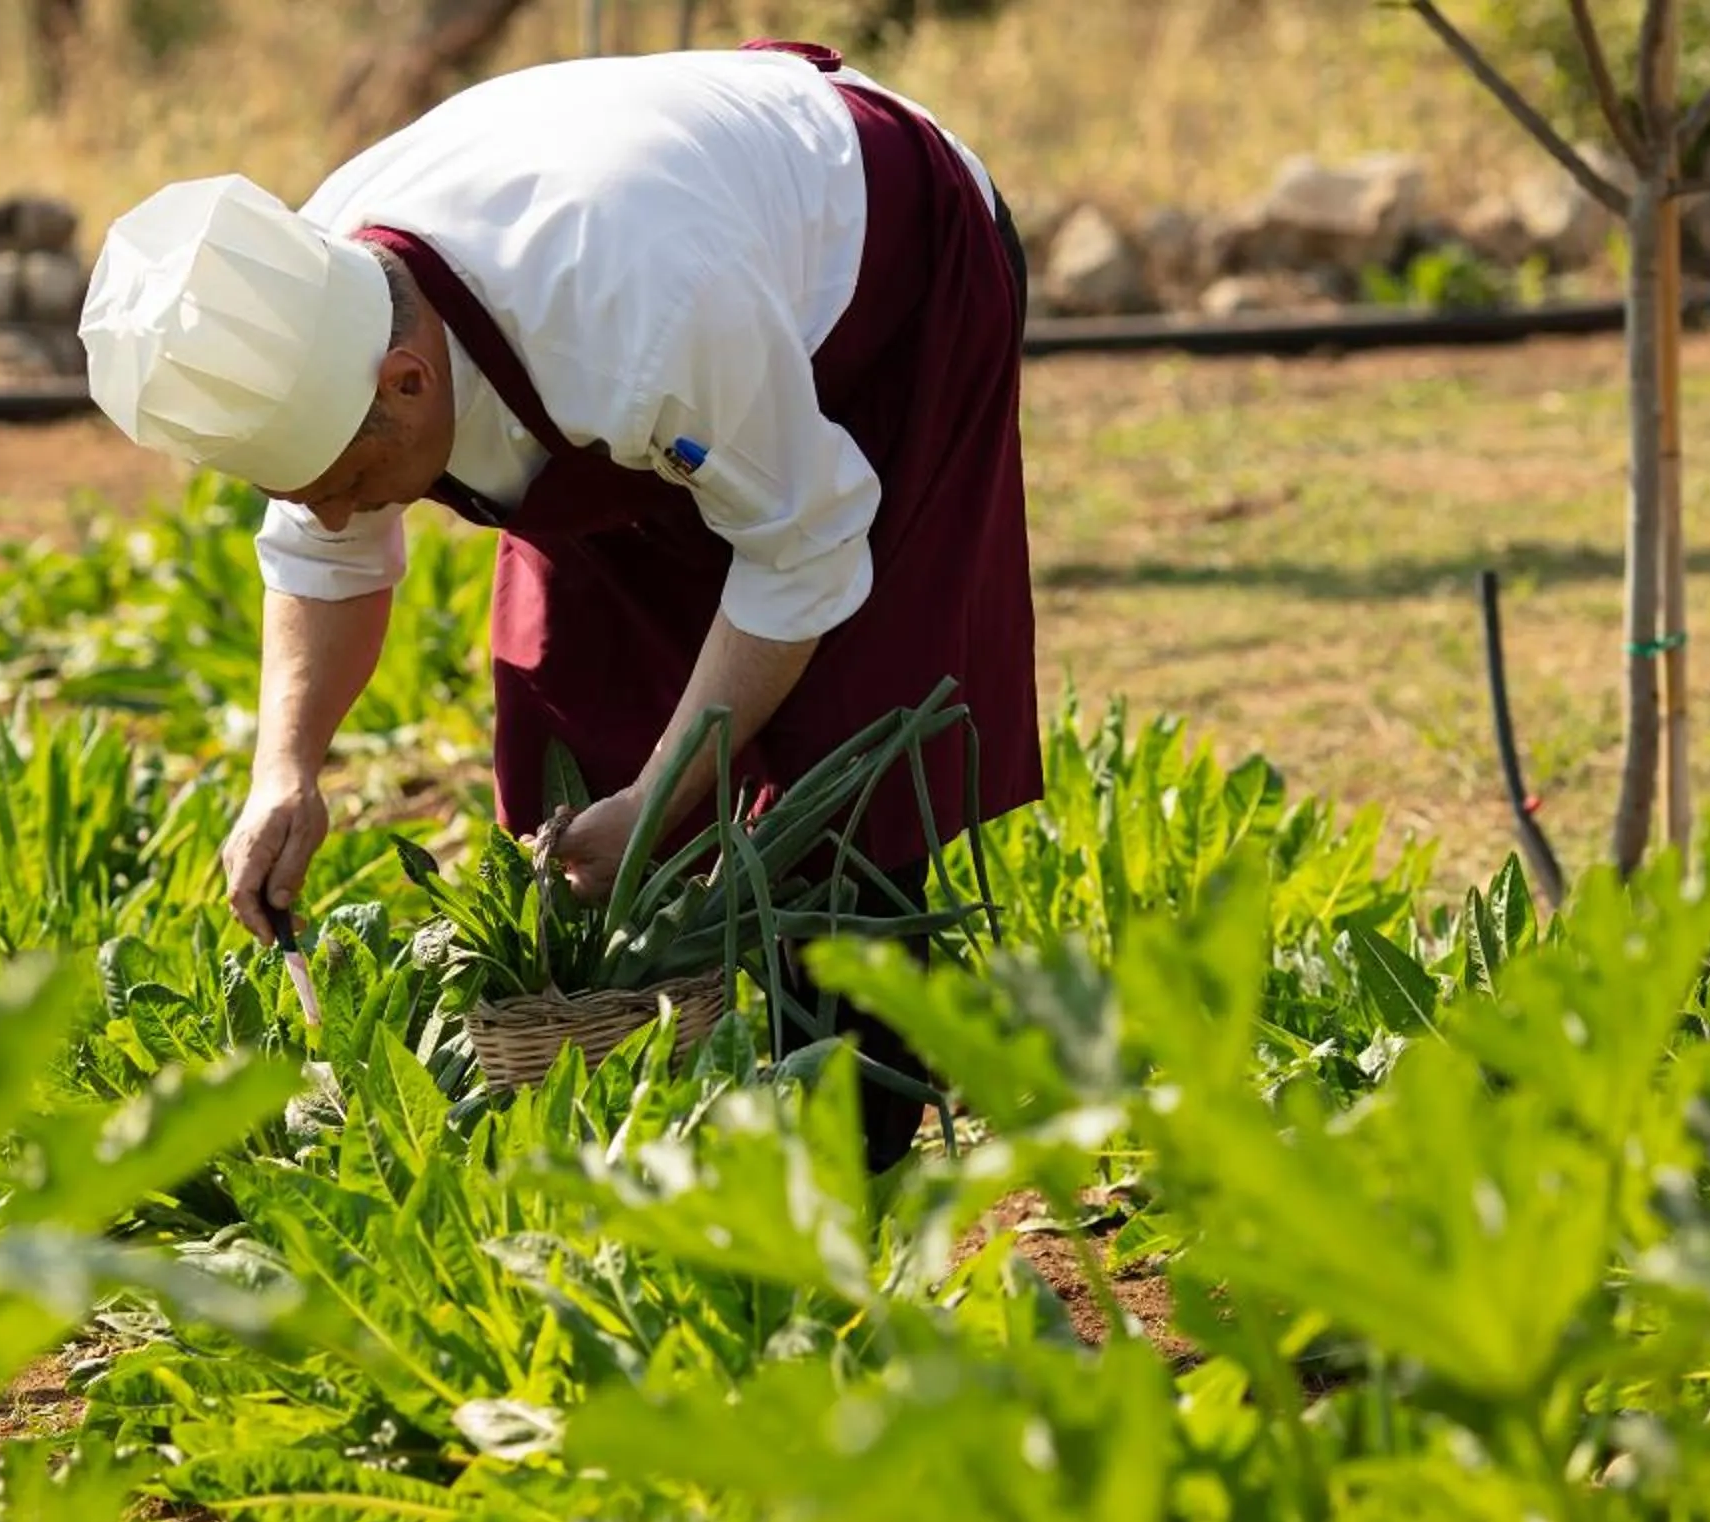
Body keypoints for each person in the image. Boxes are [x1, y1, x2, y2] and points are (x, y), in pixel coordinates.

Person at [78, 38, 1041, 1170]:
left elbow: (804, 548)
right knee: (575, 734)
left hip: (873, 291)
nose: (336, 514)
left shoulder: (640, 313)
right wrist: (283, 769)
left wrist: (661, 797)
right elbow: (320, 555)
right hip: (661, 349)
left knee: (833, 777)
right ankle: (661, 1129)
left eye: (347, 483)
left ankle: (856, 1153)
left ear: (408, 383)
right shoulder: (314, 297)